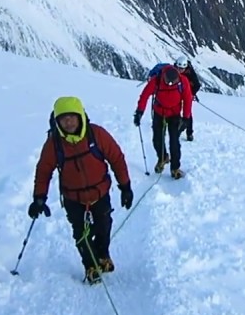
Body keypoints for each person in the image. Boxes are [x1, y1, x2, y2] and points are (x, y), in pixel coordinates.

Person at [29, 96, 133, 284]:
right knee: (81, 233)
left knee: (103, 226)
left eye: (72, 117)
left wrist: (125, 186)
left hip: (99, 194)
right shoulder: (54, 144)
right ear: (57, 121)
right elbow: (43, 170)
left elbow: (116, 158)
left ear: (81, 116)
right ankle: (90, 265)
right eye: (63, 118)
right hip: (73, 198)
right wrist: (39, 198)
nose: (68, 122)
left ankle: (102, 255)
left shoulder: (97, 135)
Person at [134, 63, 194, 179]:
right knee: (157, 139)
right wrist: (139, 111)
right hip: (159, 113)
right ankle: (162, 158)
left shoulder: (183, 81)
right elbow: (145, 95)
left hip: (174, 115)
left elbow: (188, 99)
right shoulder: (156, 80)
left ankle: (175, 168)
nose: (170, 84)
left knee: (174, 142)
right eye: (168, 81)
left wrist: (186, 118)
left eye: (173, 82)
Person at [176, 57, 202, 139]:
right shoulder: (175, 69)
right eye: (179, 68)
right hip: (177, 93)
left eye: (182, 69)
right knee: (175, 110)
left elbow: (197, 85)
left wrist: (191, 94)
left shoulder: (190, 73)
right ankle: (177, 129)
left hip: (187, 94)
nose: (180, 70)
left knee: (188, 114)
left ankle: (189, 133)